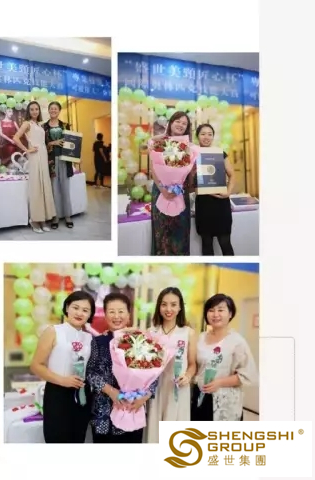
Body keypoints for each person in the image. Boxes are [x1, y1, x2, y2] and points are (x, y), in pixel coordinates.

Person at [87, 292, 157, 443]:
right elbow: (91, 373)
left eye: (121, 311)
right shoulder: (98, 342)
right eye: (111, 312)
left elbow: (155, 373)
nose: (116, 316)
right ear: (105, 315)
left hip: (132, 409)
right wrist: (111, 392)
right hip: (103, 413)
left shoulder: (140, 341)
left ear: (128, 315)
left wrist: (144, 397)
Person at [30, 290, 94, 443]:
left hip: (82, 394)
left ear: (90, 314)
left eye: (85, 310)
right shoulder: (53, 331)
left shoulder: (89, 338)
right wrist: (63, 380)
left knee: (78, 439)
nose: (80, 313)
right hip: (57, 393)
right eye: (75, 307)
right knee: (56, 439)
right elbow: (36, 365)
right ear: (67, 308)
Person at [191, 294, 258, 421]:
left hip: (223, 400)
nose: (215, 314)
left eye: (221, 310)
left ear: (230, 314)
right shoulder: (201, 338)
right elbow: (194, 366)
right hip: (199, 396)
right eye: (211, 310)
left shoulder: (236, 341)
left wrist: (219, 383)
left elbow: (248, 375)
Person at [145, 287, 196, 442]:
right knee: (154, 432)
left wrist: (187, 376)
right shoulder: (151, 332)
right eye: (164, 304)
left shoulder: (188, 332)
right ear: (158, 307)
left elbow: (192, 364)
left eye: (173, 305)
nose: (168, 309)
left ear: (180, 307)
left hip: (178, 388)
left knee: (176, 434)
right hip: (156, 388)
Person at [149, 111, 197, 255]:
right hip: (160, 191)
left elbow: (188, 172)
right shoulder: (160, 142)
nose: (181, 125)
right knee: (162, 231)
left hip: (180, 191)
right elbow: (154, 168)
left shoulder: (189, 147)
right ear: (171, 123)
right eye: (178, 121)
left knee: (180, 232)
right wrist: (163, 189)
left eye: (184, 124)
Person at [13, 101, 57, 234]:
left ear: (39, 111)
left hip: (43, 155)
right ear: (28, 111)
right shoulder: (27, 123)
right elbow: (16, 138)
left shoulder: (39, 124)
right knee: (36, 187)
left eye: (36, 109)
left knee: (44, 186)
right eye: (31, 109)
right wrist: (27, 150)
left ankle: (43, 219)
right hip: (34, 156)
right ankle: (35, 220)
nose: (34, 111)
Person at [194, 124, 236, 255]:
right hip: (203, 204)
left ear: (213, 137)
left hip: (221, 203)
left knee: (225, 242)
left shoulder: (220, 153)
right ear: (197, 136)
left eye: (210, 134)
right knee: (206, 244)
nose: (206, 137)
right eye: (203, 134)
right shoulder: (192, 155)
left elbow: (232, 174)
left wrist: (228, 192)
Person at [44, 102, 75, 229]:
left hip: (64, 160)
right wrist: (53, 142)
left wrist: (76, 156)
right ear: (48, 110)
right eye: (51, 108)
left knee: (65, 189)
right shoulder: (44, 127)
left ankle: (68, 216)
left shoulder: (65, 125)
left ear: (59, 110)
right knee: (54, 190)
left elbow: (73, 143)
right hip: (51, 161)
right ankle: (55, 217)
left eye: (55, 108)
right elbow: (41, 144)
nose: (53, 110)